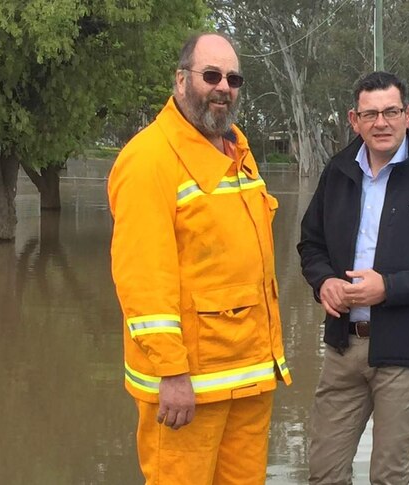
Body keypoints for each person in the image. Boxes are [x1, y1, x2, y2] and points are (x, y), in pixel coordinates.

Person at [108, 32, 291, 485]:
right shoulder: (149, 159)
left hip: (249, 375)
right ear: (180, 80)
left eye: (233, 78)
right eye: (211, 75)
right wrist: (171, 373)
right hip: (190, 387)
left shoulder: (236, 149)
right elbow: (143, 278)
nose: (223, 86)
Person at [297, 71, 409, 484]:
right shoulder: (338, 172)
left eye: (391, 111)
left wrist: (389, 288)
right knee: (323, 473)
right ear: (354, 119)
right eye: (371, 113)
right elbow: (311, 245)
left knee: (389, 477)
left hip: (407, 353)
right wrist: (323, 281)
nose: (381, 122)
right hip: (343, 348)